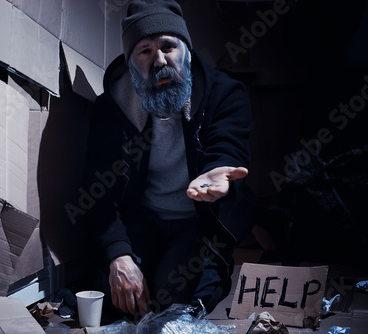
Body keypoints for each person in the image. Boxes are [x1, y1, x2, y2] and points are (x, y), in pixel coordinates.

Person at [77, 0, 256, 319]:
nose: (159, 60)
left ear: (186, 51)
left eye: (168, 47)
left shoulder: (224, 93)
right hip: (143, 220)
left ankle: (213, 268)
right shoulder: (114, 109)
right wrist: (119, 257)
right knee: (114, 299)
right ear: (131, 64)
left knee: (172, 299)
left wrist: (217, 172)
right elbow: (97, 194)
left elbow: (227, 145)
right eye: (144, 50)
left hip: (199, 222)